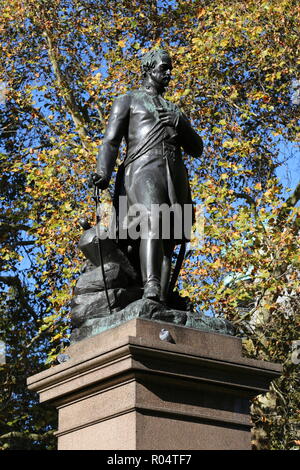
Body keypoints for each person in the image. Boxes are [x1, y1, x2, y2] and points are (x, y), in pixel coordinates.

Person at [92, 49, 203, 304]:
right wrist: (102, 173)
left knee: (170, 236)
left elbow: (197, 149)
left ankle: (162, 296)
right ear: (149, 69)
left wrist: (181, 123)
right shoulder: (128, 100)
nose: (169, 73)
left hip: (174, 172)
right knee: (152, 217)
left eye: (170, 68)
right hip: (142, 167)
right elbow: (111, 141)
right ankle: (150, 284)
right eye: (164, 68)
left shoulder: (175, 110)